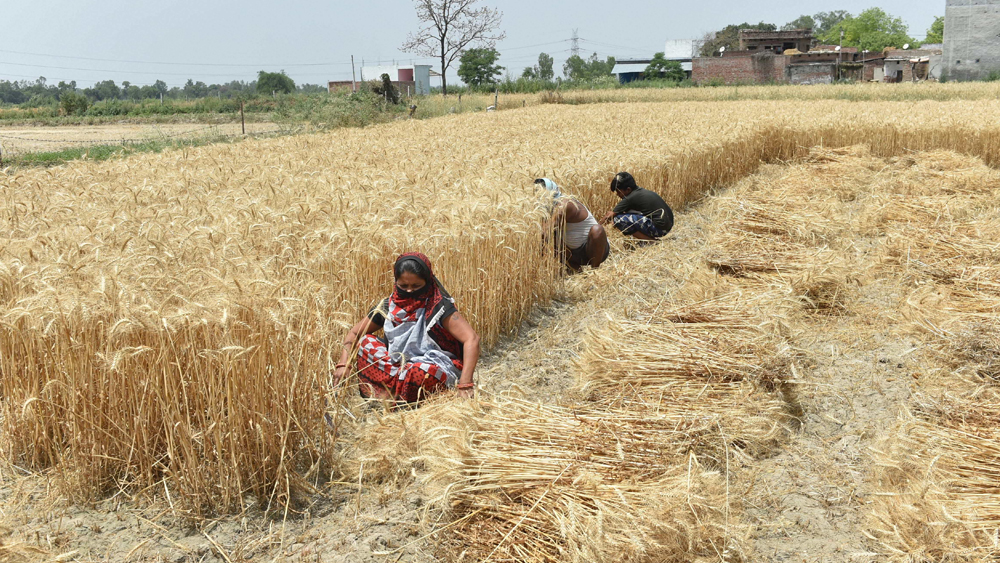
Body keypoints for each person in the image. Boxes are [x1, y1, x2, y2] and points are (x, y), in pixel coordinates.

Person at [333, 252, 480, 404]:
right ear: (396, 282)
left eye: (416, 286)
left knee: (419, 372)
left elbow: (471, 339)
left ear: (427, 282)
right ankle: (390, 395)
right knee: (365, 342)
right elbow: (355, 333)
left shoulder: (439, 306)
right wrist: (343, 364)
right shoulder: (388, 306)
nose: (409, 291)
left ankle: (402, 396)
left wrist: (465, 383)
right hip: (398, 365)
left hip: (431, 366)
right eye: (403, 286)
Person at [535, 178, 610, 271]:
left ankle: (595, 270)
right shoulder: (547, 208)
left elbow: (546, 232)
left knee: (597, 229)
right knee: (555, 237)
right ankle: (577, 271)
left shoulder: (565, 204)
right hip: (574, 254)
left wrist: (539, 256)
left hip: (594, 250)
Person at [601, 172, 674, 240]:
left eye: (618, 192)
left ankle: (650, 241)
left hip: (660, 229)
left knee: (618, 219)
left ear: (628, 189)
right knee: (625, 214)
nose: (617, 195)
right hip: (667, 226)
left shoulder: (630, 198)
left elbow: (609, 216)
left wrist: (596, 227)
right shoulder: (640, 192)